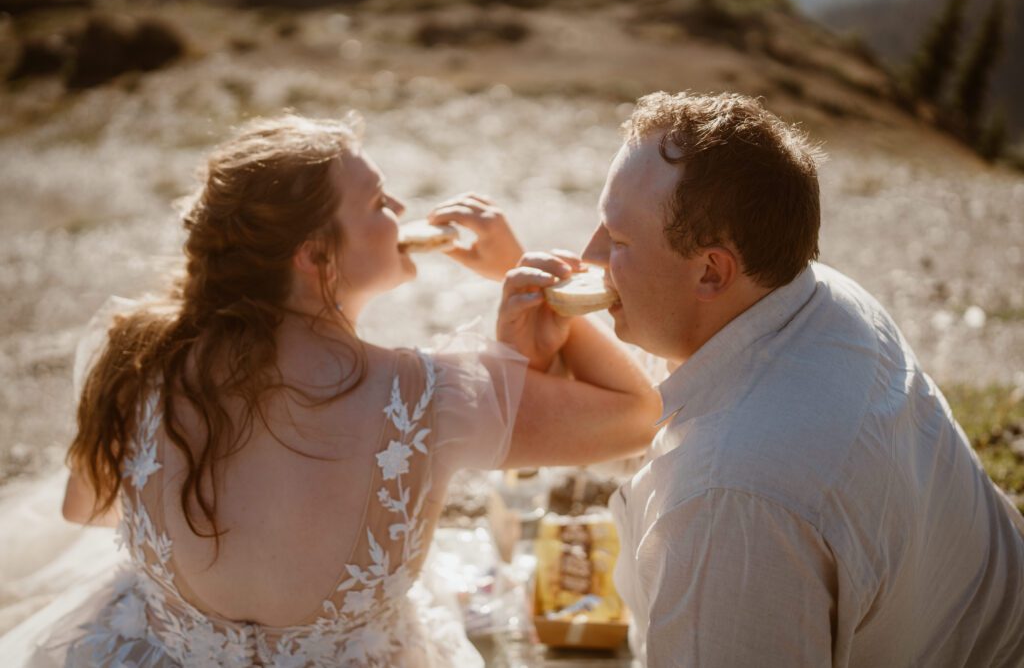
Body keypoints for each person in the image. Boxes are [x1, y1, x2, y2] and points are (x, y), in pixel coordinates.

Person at [0, 113, 660, 667]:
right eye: (377, 204)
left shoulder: (136, 356)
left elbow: (85, 508)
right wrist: (523, 279)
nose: (401, 213)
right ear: (315, 256)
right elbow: (637, 414)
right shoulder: (428, 396)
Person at [501, 91, 1024, 667]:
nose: (589, 254)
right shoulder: (819, 297)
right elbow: (661, 398)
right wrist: (550, 355)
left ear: (711, 270)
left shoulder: (731, 499)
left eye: (618, 241)